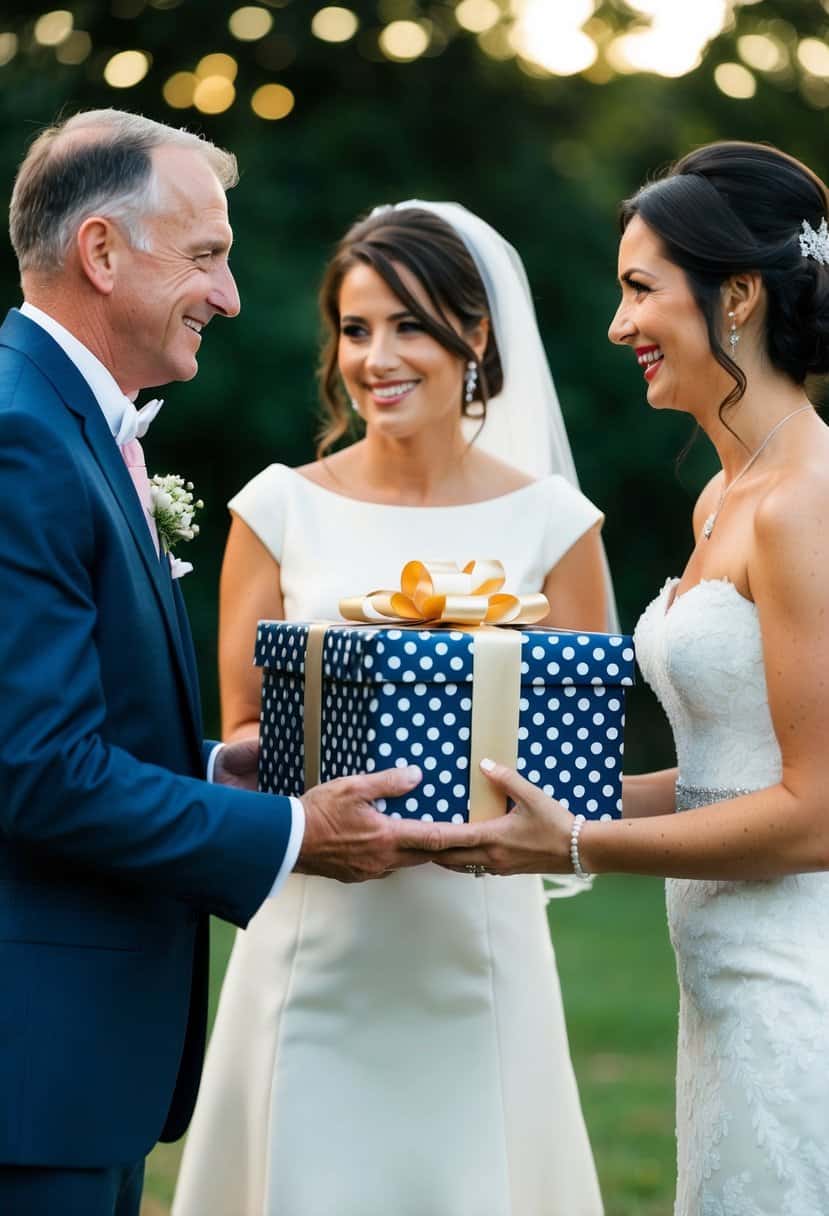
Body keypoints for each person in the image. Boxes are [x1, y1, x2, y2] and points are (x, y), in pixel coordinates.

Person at [0, 110, 449, 1216]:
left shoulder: (70, 426)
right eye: (205, 256)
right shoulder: (23, 437)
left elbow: (65, 728)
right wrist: (296, 831)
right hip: (32, 1064)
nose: (232, 294)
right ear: (102, 254)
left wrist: (211, 769)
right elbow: (36, 769)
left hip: (74, 1064)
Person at [173, 203, 612, 1216]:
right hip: (319, 928)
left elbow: (574, 751)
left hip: (477, 933)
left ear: (476, 336)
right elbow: (245, 731)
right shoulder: (277, 508)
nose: (376, 356)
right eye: (356, 327)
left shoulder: (553, 523)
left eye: (408, 325)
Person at [439, 142, 829, 1214]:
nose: (617, 326)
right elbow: (724, 773)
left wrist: (573, 845)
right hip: (724, 996)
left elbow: (816, 812)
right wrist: (507, 799)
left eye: (639, 289)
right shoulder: (724, 496)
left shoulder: (805, 502)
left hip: (801, 988)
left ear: (737, 295)